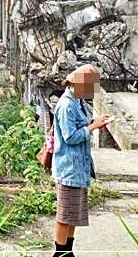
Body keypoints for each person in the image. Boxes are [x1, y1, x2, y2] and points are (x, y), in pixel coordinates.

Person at [51, 64, 113, 257]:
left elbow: (81, 126)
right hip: (68, 168)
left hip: (78, 167)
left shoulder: (79, 102)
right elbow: (70, 137)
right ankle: (59, 252)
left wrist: (95, 122)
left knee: (73, 215)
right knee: (64, 215)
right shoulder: (66, 105)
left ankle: (68, 251)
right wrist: (92, 127)